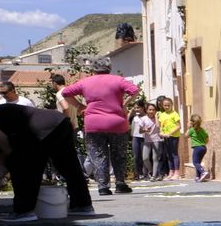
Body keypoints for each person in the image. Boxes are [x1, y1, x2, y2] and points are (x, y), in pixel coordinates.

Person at [0, 101, 94, 222]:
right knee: (68, 166)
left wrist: (5, 169)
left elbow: (10, 150)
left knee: (25, 167)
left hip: (41, 128)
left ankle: (24, 211)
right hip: (59, 122)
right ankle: (82, 205)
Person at [61, 57, 138, 196]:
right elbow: (134, 90)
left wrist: (80, 106)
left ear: (93, 69)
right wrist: (124, 104)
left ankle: (103, 187)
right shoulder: (118, 80)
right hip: (117, 123)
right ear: (109, 68)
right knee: (119, 154)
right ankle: (120, 183)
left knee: (98, 155)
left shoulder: (85, 82)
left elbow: (65, 93)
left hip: (94, 123)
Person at [156, 96, 182, 180]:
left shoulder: (174, 114)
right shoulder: (162, 115)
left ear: (172, 105)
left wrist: (170, 133)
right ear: (162, 106)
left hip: (174, 136)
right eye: (165, 105)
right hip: (165, 137)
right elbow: (161, 126)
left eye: (168, 105)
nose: (167, 107)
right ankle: (171, 172)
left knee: (174, 153)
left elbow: (179, 126)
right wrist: (161, 132)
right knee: (169, 154)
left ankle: (176, 172)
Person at [138, 103, 162, 179]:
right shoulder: (143, 119)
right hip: (147, 140)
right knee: (145, 158)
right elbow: (140, 131)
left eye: (153, 110)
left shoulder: (158, 118)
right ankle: (151, 170)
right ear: (147, 110)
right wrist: (145, 130)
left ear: (156, 111)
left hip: (156, 139)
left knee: (155, 158)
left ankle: (154, 176)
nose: (151, 111)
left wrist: (156, 117)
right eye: (150, 110)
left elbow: (158, 126)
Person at [187, 114, 210, 181]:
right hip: (203, 148)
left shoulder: (192, 130)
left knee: (195, 162)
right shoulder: (202, 130)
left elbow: (186, 136)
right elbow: (207, 138)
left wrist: (188, 127)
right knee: (198, 162)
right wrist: (203, 143)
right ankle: (198, 176)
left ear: (192, 122)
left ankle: (203, 172)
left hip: (197, 148)